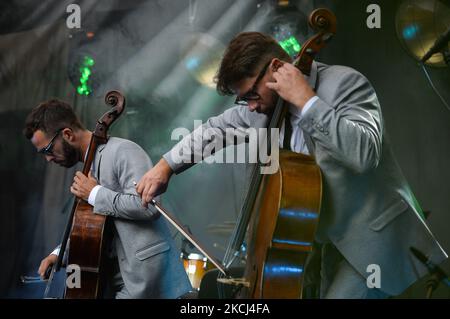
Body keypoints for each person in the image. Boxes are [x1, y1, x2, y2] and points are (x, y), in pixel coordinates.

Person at [136, 32, 448, 298]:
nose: (251, 106)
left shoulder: (345, 84)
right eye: (244, 100)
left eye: (252, 95)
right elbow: (214, 130)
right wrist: (165, 166)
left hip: (374, 241)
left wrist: (308, 102)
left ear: (276, 68)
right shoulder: (261, 111)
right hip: (327, 246)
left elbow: (365, 154)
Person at [23, 99, 192, 299]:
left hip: (145, 280)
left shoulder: (123, 151)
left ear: (67, 134)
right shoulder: (89, 167)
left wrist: (95, 193)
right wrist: (59, 252)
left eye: (48, 150)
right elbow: (89, 228)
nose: (48, 159)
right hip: (112, 280)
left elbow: (148, 207)